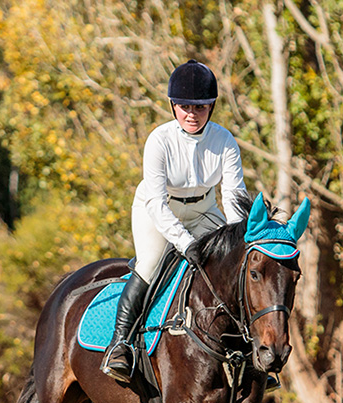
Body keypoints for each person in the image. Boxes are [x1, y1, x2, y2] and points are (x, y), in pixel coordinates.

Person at [101, 59, 248, 383]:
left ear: (211, 106)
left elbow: (235, 194)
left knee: (231, 266)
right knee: (151, 264)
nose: (191, 114)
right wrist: (185, 243)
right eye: (183, 107)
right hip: (157, 209)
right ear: (173, 106)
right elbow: (156, 201)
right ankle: (120, 344)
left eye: (200, 107)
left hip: (204, 209)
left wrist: (239, 239)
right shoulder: (159, 140)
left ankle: (247, 352)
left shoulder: (224, 141)